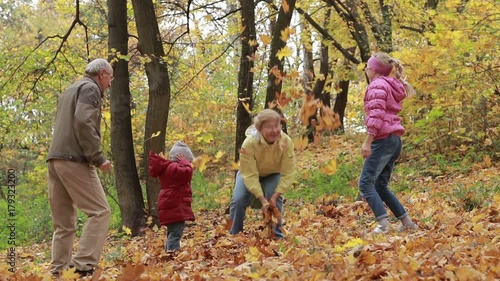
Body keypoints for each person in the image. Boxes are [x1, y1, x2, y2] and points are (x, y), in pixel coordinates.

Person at [47, 58, 114, 277]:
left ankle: (58, 272)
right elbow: (84, 122)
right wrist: (97, 157)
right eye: (110, 78)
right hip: (74, 159)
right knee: (100, 212)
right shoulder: (90, 88)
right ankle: (82, 264)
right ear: (102, 73)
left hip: (55, 160)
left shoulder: (69, 90)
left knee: (64, 224)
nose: (110, 84)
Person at [359, 52, 418, 234]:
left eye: (368, 67)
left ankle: (383, 225)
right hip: (394, 140)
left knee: (365, 183)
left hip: (383, 139)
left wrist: (368, 142)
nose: (366, 70)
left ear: (374, 70)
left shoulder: (377, 86)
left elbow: (376, 116)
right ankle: (407, 222)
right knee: (380, 186)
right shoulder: (390, 85)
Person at [229, 109, 296, 238]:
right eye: (269, 127)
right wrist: (262, 199)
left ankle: (277, 234)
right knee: (238, 199)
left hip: (273, 173)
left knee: (274, 198)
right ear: (260, 130)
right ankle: (234, 234)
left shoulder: (286, 142)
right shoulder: (249, 144)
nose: (274, 130)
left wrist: (274, 196)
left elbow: (289, 172)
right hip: (249, 173)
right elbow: (250, 175)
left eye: (276, 126)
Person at [148, 141, 195, 251]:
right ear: (180, 158)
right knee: (175, 233)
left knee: (172, 232)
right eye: (188, 160)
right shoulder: (173, 167)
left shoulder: (170, 168)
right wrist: (185, 162)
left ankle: (167, 253)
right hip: (175, 205)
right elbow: (187, 173)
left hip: (171, 204)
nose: (189, 163)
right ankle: (172, 254)